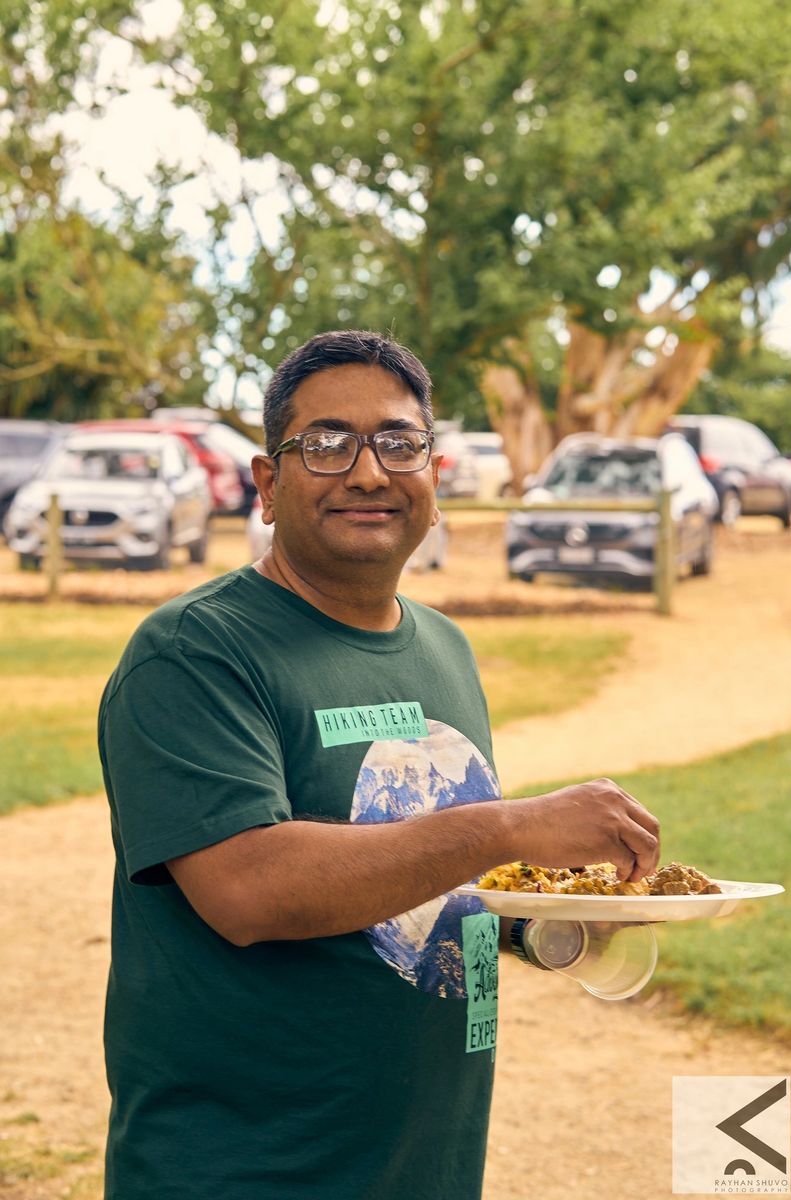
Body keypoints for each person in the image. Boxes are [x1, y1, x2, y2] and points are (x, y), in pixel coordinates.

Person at [98, 329, 659, 1200]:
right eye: (326, 445)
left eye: (399, 443)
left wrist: (552, 926)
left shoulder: (443, 649)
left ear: (434, 475)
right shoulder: (194, 653)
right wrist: (510, 828)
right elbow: (248, 889)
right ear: (267, 485)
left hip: (427, 1165)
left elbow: (425, 873)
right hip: (249, 1173)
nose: (368, 472)